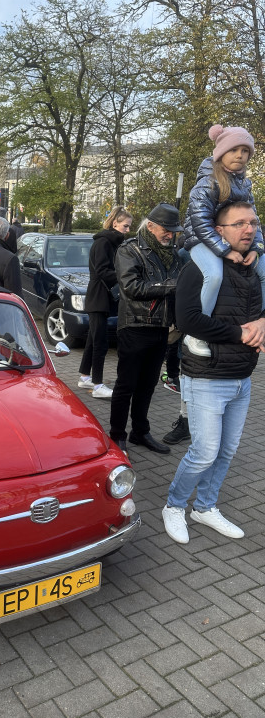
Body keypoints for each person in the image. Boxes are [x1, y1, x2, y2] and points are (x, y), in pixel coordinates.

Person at [162, 201, 265, 544]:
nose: (248, 229)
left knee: (226, 450)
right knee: (204, 451)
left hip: (242, 376)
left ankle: (204, 507)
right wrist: (240, 334)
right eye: (239, 224)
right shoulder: (200, 267)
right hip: (205, 376)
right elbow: (189, 319)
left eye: (252, 222)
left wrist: (262, 322)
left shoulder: (253, 267)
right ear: (219, 231)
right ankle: (174, 505)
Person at [182, 124, 265, 357]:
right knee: (214, 274)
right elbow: (199, 220)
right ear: (221, 154)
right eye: (234, 150)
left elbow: (252, 218)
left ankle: (259, 321)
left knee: (264, 270)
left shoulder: (245, 184)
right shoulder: (208, 181)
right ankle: (196, 334)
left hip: (229, 238)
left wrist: (256, 248)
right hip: (201, 238)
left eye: (245, 151)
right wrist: (224, 250)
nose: (240, 155)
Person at [109, 203, 183, 454]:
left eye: (173, 231)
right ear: (150, 226)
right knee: (126, 384)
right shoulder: (128, 250)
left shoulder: (171, 253)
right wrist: (173, 286)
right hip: (135, 326)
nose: (170, 234)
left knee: (148, 384)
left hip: (160, 328)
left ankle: (140, 432)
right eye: (167, 229)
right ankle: (117, 435)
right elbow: (132, 288)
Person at [78, 205, 133, 398]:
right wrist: (124, 276)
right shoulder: (104, 242)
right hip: (98, 296)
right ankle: (97, 385)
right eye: (125, 226)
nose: (127, 230)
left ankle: (85, 376)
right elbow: (102, 270)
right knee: (100, 342)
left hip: (101, 296)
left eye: (128, 227)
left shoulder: (112, 242)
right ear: (115, 222)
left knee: (94, 339)